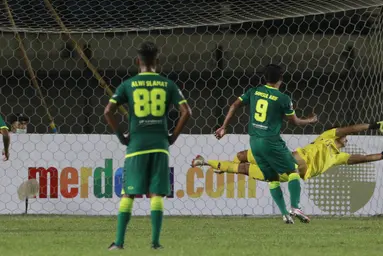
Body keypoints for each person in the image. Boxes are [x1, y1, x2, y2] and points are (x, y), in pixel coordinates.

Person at [104, 41, 191, 250]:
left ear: (138, 61)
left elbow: (108, 111)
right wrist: (172, 137)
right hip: (160, 145)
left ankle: (119, 243)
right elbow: (186, 112)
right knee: (157, 194)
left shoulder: (128, 84)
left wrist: (121, 137)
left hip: (137, 145)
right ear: (157, 62)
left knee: (128, 194)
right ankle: (155, 243)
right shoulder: (168, 84)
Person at [215, 64, 317, 224]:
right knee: (293, 170)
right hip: (271, 141)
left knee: (272, 178)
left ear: (264, 78)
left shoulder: (253, 91)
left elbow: (234, 105)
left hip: (255, 142)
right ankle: (295, 207)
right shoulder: (283, 98)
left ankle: (284, 214)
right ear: (281, 79)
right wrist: (310, 120)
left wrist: (224, 126)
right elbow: (294, 122)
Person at [193, 122, 383, 185]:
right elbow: (350, 128)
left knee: (243, 168)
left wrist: (381, 155)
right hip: (290, 160)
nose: (347, 138)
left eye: (346, 139)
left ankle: (210, 164)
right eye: (345, 137)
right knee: (242, 158)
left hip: (289, 170)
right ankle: (211, 164)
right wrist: (375, 125)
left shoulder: (337, 157)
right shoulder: (327, 136)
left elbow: (365, 158)